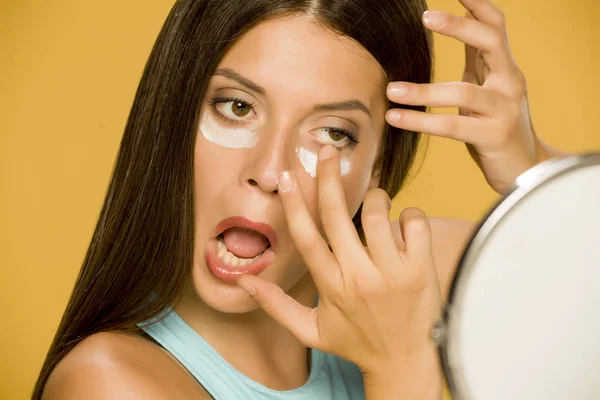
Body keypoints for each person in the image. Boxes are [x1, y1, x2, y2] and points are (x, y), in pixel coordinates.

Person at [34, 0, 566, 398]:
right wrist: (402, 370)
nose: (269, 172)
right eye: (237, 106)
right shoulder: (110, 382)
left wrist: (533, 166)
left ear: (377, 166)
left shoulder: (414, 279)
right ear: (176, 112)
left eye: (334, 133)